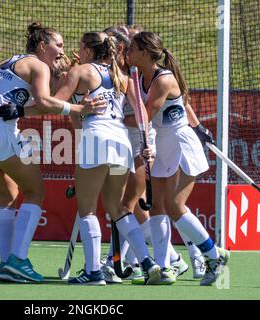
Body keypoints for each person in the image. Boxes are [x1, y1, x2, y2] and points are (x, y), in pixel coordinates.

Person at [0, 22, 105, 283]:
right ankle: (18, 260)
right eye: (58, 45)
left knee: (8, 193)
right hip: (0, 129)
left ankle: (7, 263)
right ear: (41, 46)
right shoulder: (38, 66)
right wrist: (79, 110)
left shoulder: (5, 61)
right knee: (35, 191)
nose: (61, 51)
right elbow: (45, 102)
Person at [54, 31, 161, 285]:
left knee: (87, 209)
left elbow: (54, 102)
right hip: (121, 143)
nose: (77, 52)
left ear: (89, 51)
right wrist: (147, 145)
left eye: (81, 47)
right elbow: (142, 115)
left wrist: (29, 107)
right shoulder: (121, 77)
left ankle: (93, 273)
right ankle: (147, 262)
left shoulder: (80, 72)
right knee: (117, 209)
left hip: (96, 140)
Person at [127, 31, 230, 286]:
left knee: (174, 205)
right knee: (158, 208)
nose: (128, 52)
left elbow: (144, 117)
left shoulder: (163, 80)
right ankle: (163, 268)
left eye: (132, 48)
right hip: (163, 143)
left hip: (182, 143)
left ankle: (214, 256)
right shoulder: (139, 76)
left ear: (144, 52)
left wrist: (105, 118)